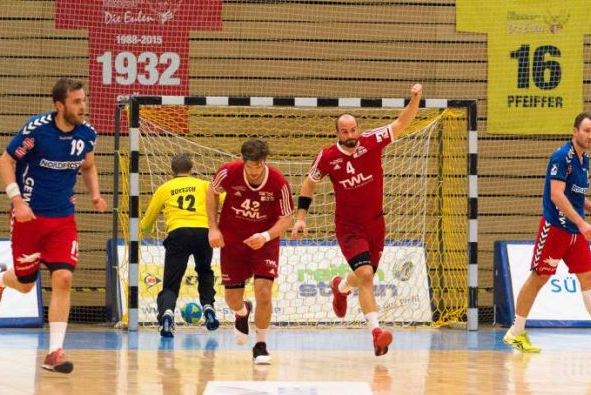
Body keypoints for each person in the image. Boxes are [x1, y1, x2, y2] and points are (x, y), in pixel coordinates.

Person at [0, 77, 107, 373]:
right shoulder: (36, 130)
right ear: (59, 105)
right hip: (29, 218)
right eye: (76, 101)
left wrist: (95, 194)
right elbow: (5, 161)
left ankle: (54, 353)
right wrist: (18, 202)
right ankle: (1, 280)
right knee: (26, 285)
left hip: (63, 219)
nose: (83, 106)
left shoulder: (87, 134)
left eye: (83, 100)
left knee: (63, 277)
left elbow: (88, 166)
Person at [291, 83, 423, 356]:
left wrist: (415, 99)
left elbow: (402, 122)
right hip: (348, 227)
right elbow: (308, 185)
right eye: (344, 132)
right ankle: (376, 333)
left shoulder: (372, 141)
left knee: (364, 277)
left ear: (358, 129)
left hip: (376, 223)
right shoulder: (327, 157)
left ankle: (340, 288)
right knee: (365, 275)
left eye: (353, 130)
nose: (350, 135)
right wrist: (300, 218)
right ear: (337, 133)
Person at [503, 112, 591, 353]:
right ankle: (515, 332)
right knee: (539, 278)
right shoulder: (561, 157)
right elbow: (557, 195)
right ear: (575, 131)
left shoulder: (584, 159)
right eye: (587, 130)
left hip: (575, 232)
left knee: (589, 278)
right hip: (556, 229)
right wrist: (582, 223)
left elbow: (575, 194)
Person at [206, 139, 294, 364]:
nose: (254, 171)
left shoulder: (278, 182)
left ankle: (261, 345)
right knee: (232, 299)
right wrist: (213, 228)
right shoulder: (228, 172)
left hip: (265, 242)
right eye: (249, 166)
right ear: (243, 161)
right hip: (233, 241)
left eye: (258, 166)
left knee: (264, 292)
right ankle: (242, 311)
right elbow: (211, 192)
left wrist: (265, 236)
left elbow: (286, 219)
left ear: (264, 162)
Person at [141, 153, 220, 337]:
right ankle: (208, 307)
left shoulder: (165, 188)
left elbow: (148, 220)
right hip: (203, 232)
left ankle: (167, 314)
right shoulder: (203, 185)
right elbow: (222, 198)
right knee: (204, 270)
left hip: (178, 233)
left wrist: (148, 231)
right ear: (192, 168)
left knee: (171, 281)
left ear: (172, 170)